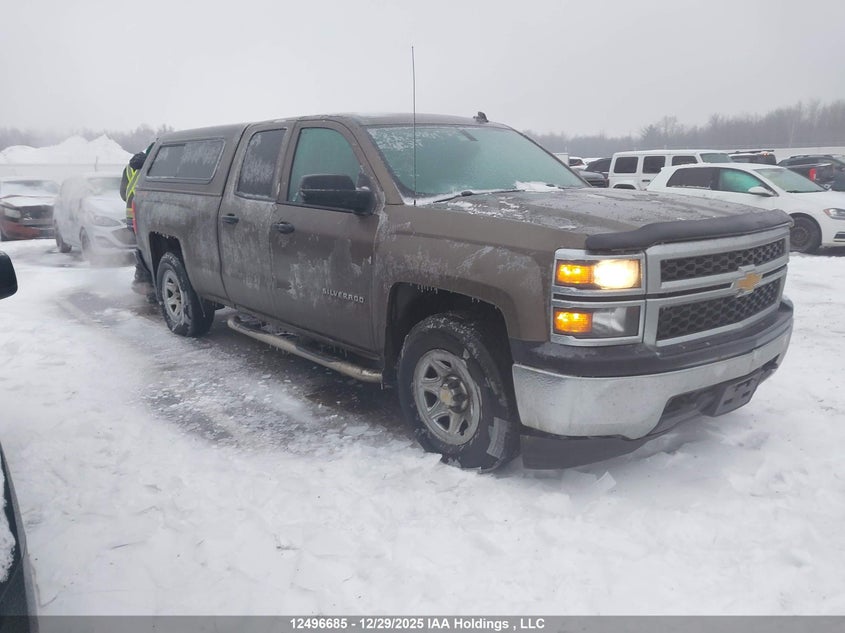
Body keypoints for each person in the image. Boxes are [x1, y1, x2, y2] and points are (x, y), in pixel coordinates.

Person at [120, 146, 156, 301]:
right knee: (151, 249)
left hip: (131, 213)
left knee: (142, 248)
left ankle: (143, 283)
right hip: (146, 214)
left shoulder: (130, 166)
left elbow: (123, 192)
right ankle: (146, 284)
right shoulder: (156, 164)